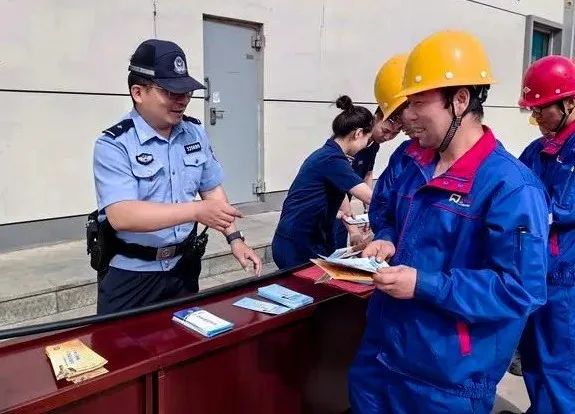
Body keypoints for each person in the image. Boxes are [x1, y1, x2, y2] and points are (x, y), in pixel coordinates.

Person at [348, 30, 549, 413]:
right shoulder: (413, 163)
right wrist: (387, 237)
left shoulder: (511, 187)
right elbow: (385, 212)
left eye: (418, 103)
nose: (407, 117)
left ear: (460, 100)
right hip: (381, 355)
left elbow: (520, 290)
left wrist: (424, 284)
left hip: (444, 380)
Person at [92, 39, 262, 314]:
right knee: (123, 342)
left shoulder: (194, 133)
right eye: (170, 92)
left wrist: (235, 239)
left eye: (186, 92)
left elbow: (211, 190)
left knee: (184, 338)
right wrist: (196, 211)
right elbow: (122, 215)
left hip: (184, 268)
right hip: (133, 275)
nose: (182, 100)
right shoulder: (114, 144)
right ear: (138, 92)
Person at [515, 55, 575, 413]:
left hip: (566, 278)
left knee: (559, 365)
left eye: (542, 109)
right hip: (536, 273)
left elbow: (562, 208)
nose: (536, 117)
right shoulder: (537, 151)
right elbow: (512, 186)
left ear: (570, 103)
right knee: (535, 359)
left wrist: (521, 214)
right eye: (533, 110)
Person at [272, 95, 373, 269]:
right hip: (298, 244)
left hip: (299, 238)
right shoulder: (332, 160)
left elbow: (314, 197)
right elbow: (371, 197)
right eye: (367, 140)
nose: (366, 146)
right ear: (358, 134)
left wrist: (336, 214)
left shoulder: (326, 154)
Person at [334, 54, 409, 247]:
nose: (388, 137)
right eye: (385, 131)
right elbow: (338, 186)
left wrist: (368, 212)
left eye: (394, 134)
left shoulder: (373, 145)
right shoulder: (349, 145)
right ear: (375, 119)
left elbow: (367, 174)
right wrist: (354, 228)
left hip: (347, 206)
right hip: (334, 206)